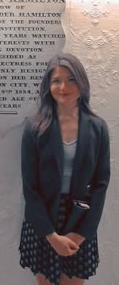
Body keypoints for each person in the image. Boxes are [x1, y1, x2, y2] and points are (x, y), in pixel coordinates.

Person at [19, 53, 110, 285]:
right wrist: (51, 236)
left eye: (71, 80)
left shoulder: (97, 128)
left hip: (80, 218)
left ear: (82, 83)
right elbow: (30, 188)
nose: (63, 87)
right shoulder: (34, 128)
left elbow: (101, 184)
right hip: (44, 221)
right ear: (48, 86)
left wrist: (81, 234)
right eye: (56, 80)